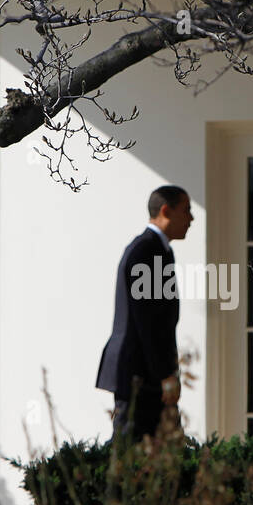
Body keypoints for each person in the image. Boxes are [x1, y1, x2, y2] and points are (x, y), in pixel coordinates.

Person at [96, 185, 193, 439]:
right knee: (136, 455)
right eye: (186, 211)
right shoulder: (146, 251)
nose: (191, 219)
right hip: (140, 375)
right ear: (165, 211)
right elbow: (148, 322)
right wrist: (165, 375)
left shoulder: (157, 250)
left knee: (160, 457)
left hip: (147, 373)